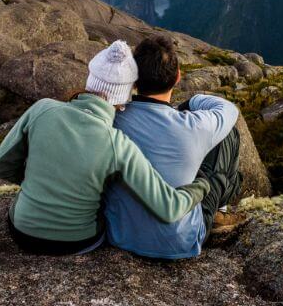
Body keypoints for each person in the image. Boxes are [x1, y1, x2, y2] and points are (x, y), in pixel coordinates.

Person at [0, 39, 209, 255]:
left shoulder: (43, 109)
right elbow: (168, 208)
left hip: (21, 231)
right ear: (125, 96)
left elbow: (0, 166)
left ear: (90, 79)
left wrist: (38, 186)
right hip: (76, 241)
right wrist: (201, 185)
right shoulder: (117, 143)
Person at [103, 34, 243, 259]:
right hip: (180, 242)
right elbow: (229, 110)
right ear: (178, 77)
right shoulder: (193, 126)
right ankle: (220, 211)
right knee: (228, 135)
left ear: (134, 79)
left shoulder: (112, 119)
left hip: (120, 235)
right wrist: (191, 103)